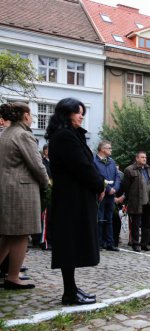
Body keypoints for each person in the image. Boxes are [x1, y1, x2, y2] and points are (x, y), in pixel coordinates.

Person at [46, 98, 104, 304]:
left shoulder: (69, 135)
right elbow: (82, 166)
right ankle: (69, 293)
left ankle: (71, 289)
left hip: (75, 196)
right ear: (67, 113)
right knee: (69, 244)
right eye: (78, 112)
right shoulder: (64, 137)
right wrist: (100, 185)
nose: (81, 116)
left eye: (82, 113)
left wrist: (97, 183)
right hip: (71, 199)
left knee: (72, 243)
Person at [0, 102, 49, 290]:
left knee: (7, 234)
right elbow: (37, 165)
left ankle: (10, 275)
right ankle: (13, 277)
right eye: (31, 114)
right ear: (25, 116)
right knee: (21, 235)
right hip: (21, 190)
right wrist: (46, 184)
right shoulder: (23, 135)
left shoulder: (5, 134)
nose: (32, 118)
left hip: (6, 187)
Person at [120, 151, 150, 252]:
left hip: (149, 201)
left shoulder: (149, 169)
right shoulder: (129, 169)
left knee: (147, 224)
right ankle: (135, 244)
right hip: (136, 201)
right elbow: (125, 187)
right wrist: (128, 199)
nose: (144, 159)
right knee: (136, 224)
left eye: (145, 157)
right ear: (137, 158)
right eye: (142, 157)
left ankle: (144, 244)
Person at [93, 140, 121, 252]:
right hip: (100, 193)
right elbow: (96, 176)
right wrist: (107, 188)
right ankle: (98, 243)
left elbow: (117, 176)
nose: (111, 150)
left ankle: (110, 243)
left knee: (109, 219)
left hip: (111, 194)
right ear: (102, 149)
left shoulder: (112, 162)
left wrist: (115, 188)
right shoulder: (94, 161)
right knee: (99, 219)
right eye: (109, 148)